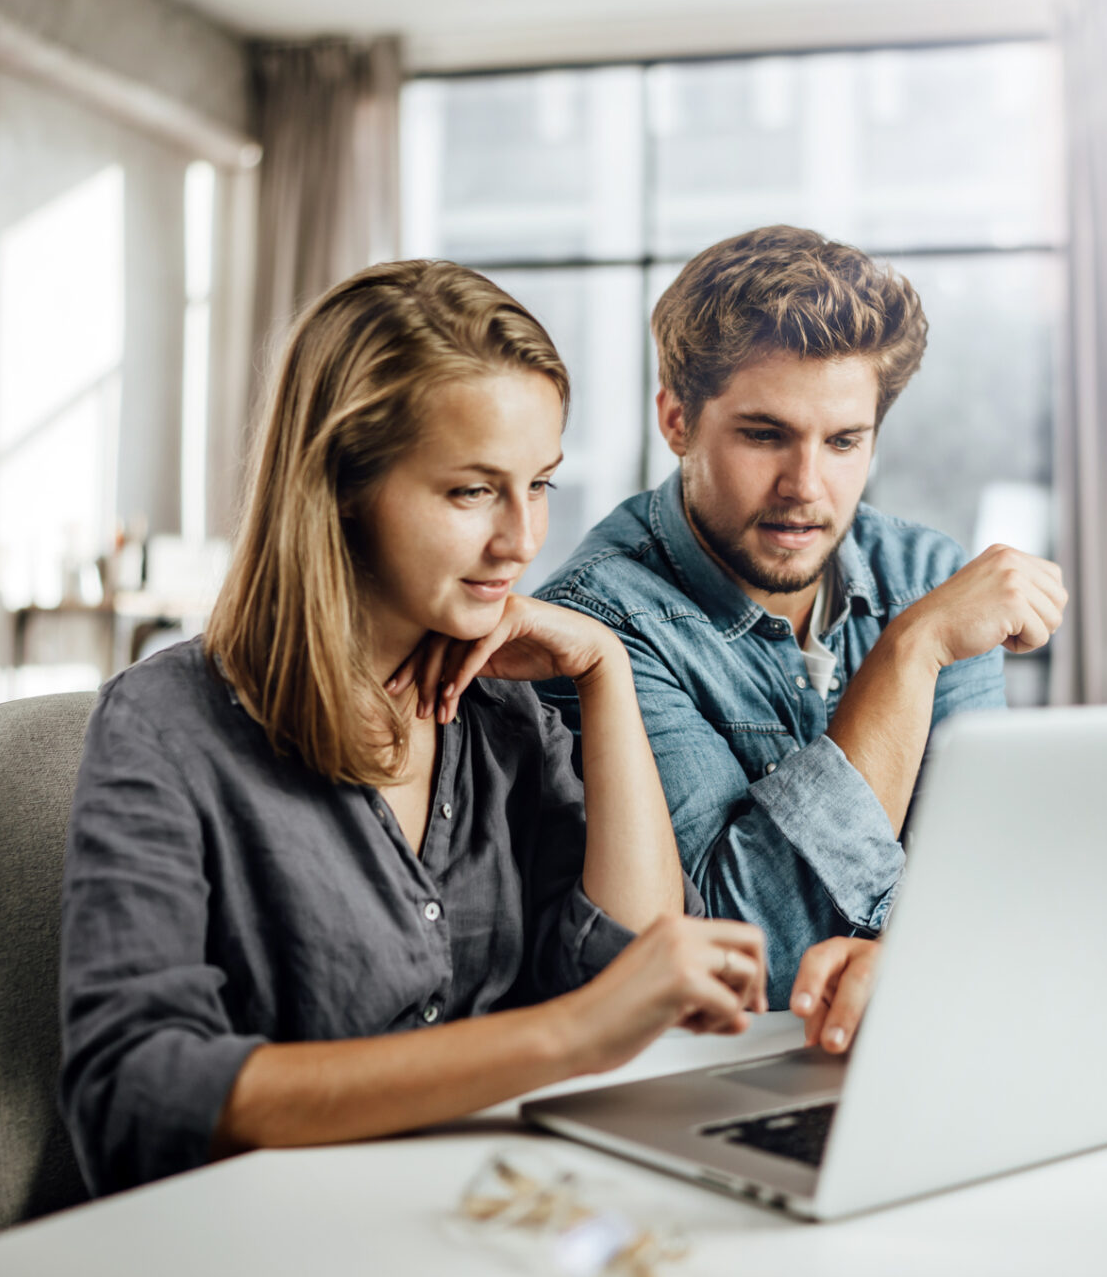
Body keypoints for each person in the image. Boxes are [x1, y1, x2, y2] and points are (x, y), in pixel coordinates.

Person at [57, 261, 874, 1196]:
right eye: (472, 492)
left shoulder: (500, 709)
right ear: (341, 487)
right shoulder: (168, 728)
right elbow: (134, 1096)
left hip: (494, 1211)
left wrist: (604, 669)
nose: (522, 540)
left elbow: (636, 958)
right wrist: (563, 1036)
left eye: (541, 485)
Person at [534, 226, 1068, 999]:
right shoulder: (599, 626)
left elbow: (987, 887)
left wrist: (910, 959)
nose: (807, 486)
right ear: (677, 419)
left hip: (909, 1042)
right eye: (764, 435)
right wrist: (908, 655)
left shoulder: (925, 575)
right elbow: (739, 961)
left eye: (845, 440)